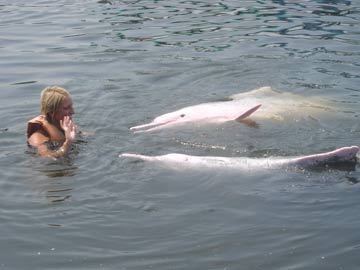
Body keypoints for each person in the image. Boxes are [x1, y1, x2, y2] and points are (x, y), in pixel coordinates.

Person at [27, 86, 77, 158]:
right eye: (66, 108)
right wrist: (68, 143)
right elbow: (48, 158)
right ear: (51, 112)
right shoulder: (38, 136)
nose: (73, 112)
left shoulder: (64, 126)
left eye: (71, 106)